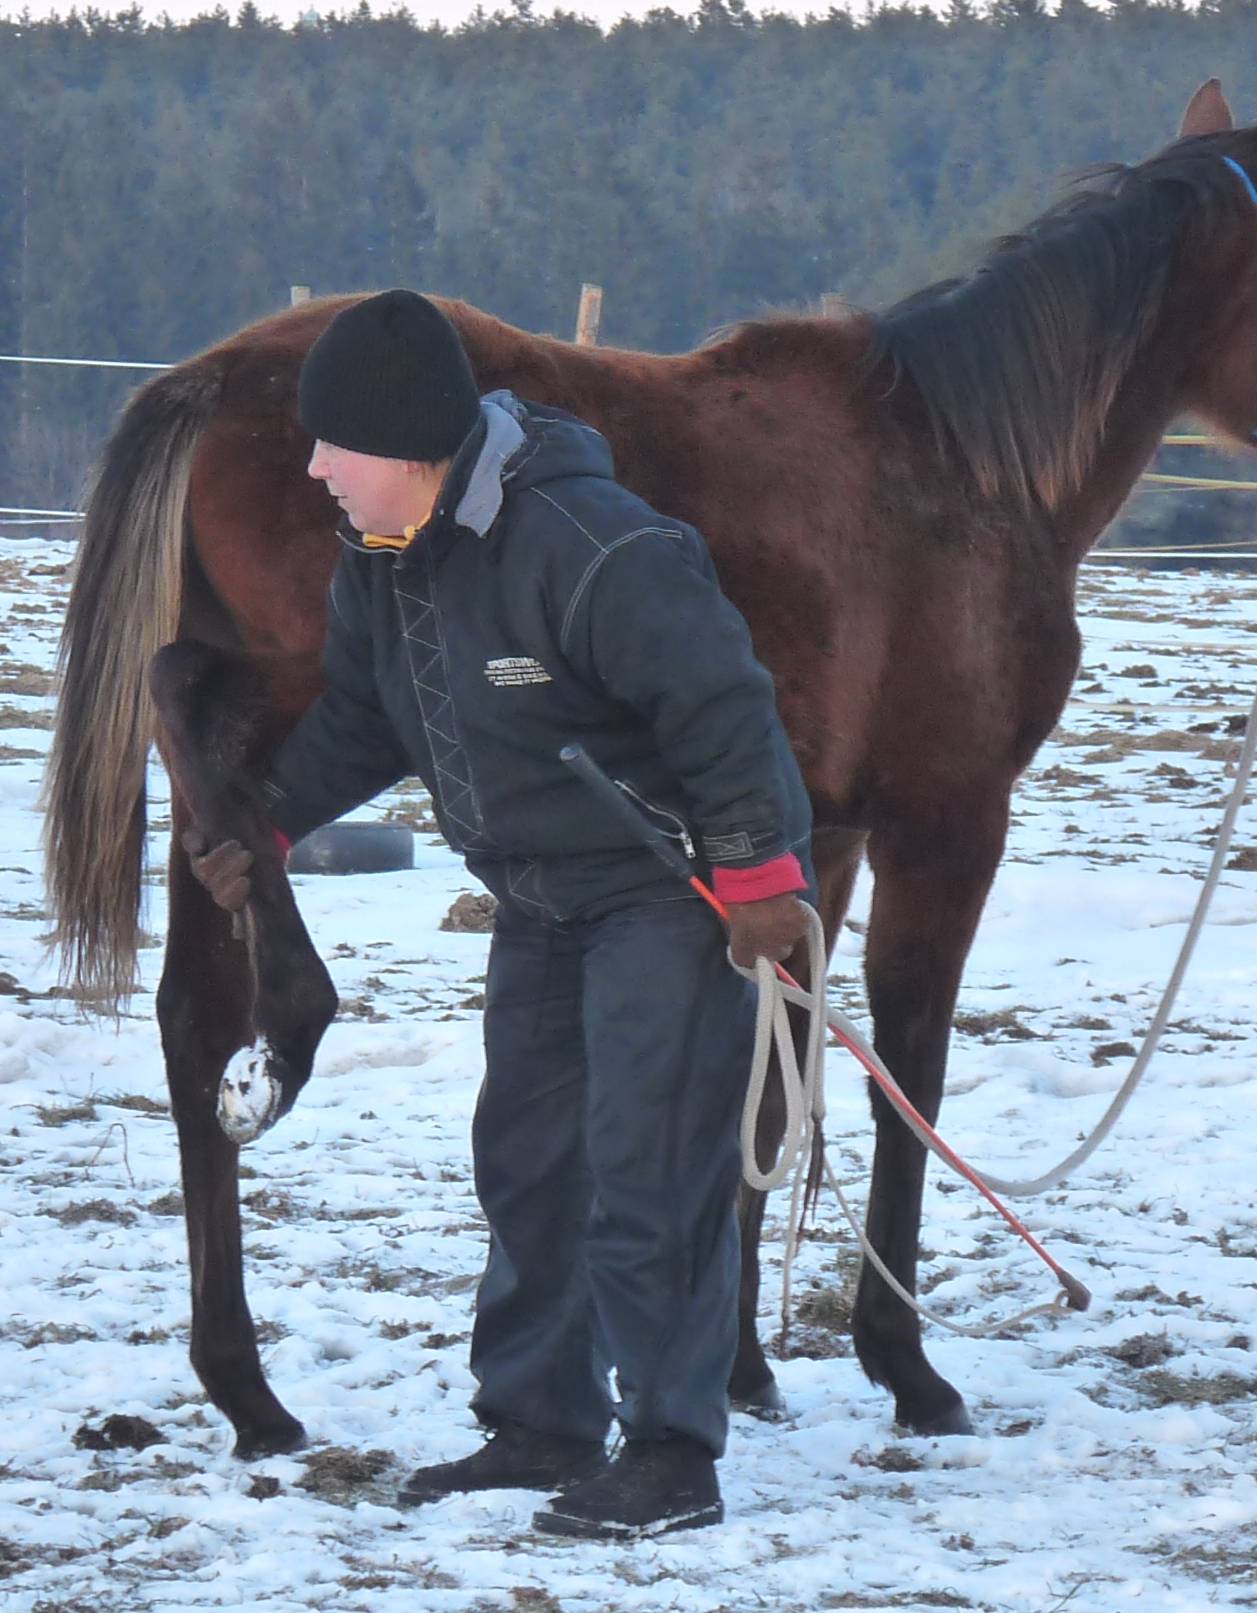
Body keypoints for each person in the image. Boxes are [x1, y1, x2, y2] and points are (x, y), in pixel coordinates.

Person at [184, 288, 814, 1540]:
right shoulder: (384, 559)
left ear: (412, 446)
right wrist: (269, 817)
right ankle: (539, 1419)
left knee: (648, 1168)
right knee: (526, 1163)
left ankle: (674, 1450)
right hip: (533, 896)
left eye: (334, 445)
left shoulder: (594, 546)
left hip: (660, 892)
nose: (313, 468)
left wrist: (755, 877)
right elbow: (370, 716)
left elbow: (725, 705)